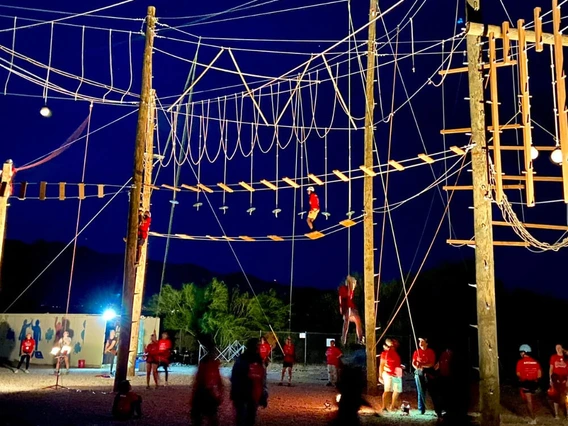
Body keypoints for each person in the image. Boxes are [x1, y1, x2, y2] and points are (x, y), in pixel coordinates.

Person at [231, 338, 267, 426]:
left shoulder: (257, 360)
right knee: (244, 418)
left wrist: (263, 394)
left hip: (251, 394)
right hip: (244, 393)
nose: (259, 347)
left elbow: (262, 378)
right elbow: (235, 376)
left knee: (248, 418)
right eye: (257, 345)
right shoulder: (244, 360)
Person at [191, 336, 224, 426]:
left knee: (205, 418)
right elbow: (201, 380)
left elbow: (199, 380)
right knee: (209, 418)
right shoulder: (208, 364)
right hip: (206, 393)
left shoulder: (209, 364)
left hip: (206, 393)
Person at [517, 344, 541, 424]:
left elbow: (518, 374)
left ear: (524, 352)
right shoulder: (535, 361)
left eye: (521, 352)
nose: (520, 354)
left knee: (528, 401)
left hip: (526, 383)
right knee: (532, 400)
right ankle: (534, 416)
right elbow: (539, 374)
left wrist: (524, 377)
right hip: (534, 383)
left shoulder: (520, 362)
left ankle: (533, 419)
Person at [412, 337, 437, 416]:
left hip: (428, 373)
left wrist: (423, 365)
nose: (420, 343)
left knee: (432, 391)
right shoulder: (416, 352)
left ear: (427, 343)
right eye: (419, 341)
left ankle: (437, 409)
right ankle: (421, 409)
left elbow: (432, 364)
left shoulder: (430, 352)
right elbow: (413, 362)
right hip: (419, 373)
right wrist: (417, 367)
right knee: (420, 391)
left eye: (422, 341)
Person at [379, 338, 403, 413]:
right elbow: (382, 365)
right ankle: (384, 407)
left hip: (397, 372)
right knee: (387, 390)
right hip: (388, 373)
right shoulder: (385, 354)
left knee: (397, 390)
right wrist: (380, 375)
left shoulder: (396, 353)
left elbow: (397, 363)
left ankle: (392, 406)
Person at [339, 276, 363, 345]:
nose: (354, 285)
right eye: (353, 283)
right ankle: (344, 338)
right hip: (347, 307)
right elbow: (342, 298)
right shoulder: (344, 289)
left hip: (350, 308)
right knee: (346, 322)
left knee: (357, 321)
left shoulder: (351, 290)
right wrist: (341, 307)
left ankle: (360, 338)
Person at [549, 344, 568, 420]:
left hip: (565, 378)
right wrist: (550, 380)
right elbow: (551, 369)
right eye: (556, 348)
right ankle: (556, 415)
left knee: (566, 396)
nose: (558, 349)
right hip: (556, 378)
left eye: (559, 347)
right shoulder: (553, 357)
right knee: (555, 396)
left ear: (562, 348)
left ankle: (567, 414)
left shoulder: (566, 357)